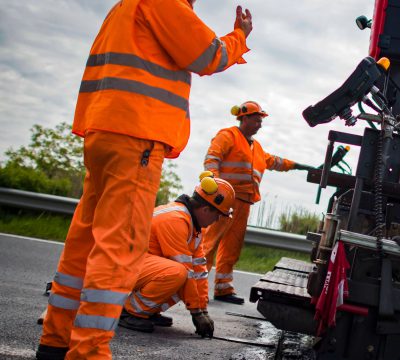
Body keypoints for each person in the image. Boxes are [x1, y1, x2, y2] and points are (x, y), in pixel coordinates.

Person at [37, 1, 254, 359]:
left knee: (85, 242)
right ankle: (88, 351)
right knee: (119, 248)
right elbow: (208, 55)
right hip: (137, 134)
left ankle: (56, 340)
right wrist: (240, 37)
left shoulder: (125, 7)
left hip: (104, 129)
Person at [202, 101, 313, 304]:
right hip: (223, 200)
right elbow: (212, 159)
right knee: (209, 244)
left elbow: (276, 162)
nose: (260, 124)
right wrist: (215, 186)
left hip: (243, 202)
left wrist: (301, 166)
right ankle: (195, 286)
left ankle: (223, 288)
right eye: (256, 120)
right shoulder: (228, 136)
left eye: (261, 121)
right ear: (244, 118)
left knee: (232, 247)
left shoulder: (256, 147)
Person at [117, 174, 234, 337]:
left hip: (136, 265)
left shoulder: (194, 227)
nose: (216, 220)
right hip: (120, 266)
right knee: (178, 273)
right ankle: (130, 312)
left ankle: (148, 310)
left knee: (184, 276)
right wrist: (196, 313)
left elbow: (199, 270)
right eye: (218, 215)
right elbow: (186, 270)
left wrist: (203, 309)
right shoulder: (176, 220)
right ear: (206, 209)